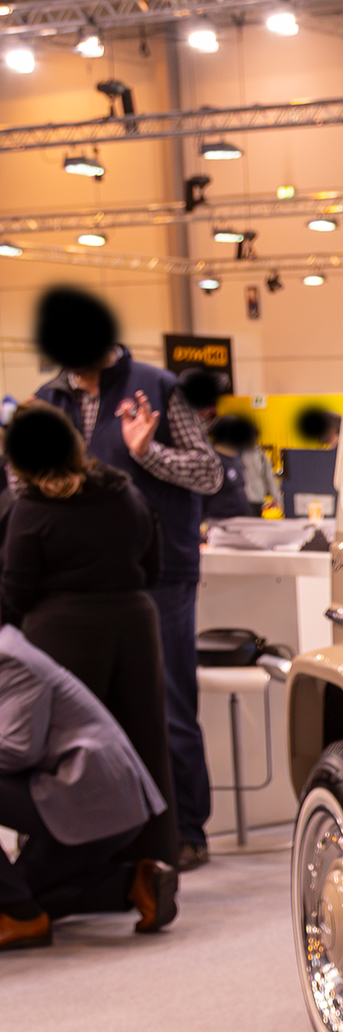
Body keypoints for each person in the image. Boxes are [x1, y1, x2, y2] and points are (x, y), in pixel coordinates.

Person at [28, 289, 222, 871]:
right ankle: (116, 840)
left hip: (159, 573)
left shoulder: (158, 387)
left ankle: (188, 830)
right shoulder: (48, 401)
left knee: (168, 703)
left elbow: (208, 471)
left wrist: (147, 453)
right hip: (77, 581)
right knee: (90, 711)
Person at [0, 403, 178, 866]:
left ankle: (71, 879)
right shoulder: (127, 494)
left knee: (66, 761)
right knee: (144, 750)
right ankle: (152, 868)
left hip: (62, 634)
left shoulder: (32, 511)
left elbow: (14, 592)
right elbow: (154, 566)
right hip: (136, 627)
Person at [0, 621, 178, 950]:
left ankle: (22, 918)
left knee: (16, 900)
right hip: (96, 800)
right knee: (28, 892)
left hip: (91, 798)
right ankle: (135, 884)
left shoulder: (10, 657)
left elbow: (18, 749)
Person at [204, 415, 279, 522]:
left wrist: (276, 498)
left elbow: (268, 477)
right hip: (224, 520)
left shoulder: (258, 455)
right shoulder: (219, 460)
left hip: (254, 502)